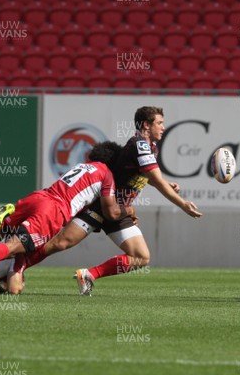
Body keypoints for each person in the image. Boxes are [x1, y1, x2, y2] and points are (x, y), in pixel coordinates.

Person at [40, 106, 202, 296]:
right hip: (103, 205)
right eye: (159, 123)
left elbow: (147, 176)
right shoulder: (139, 145)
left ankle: (89, 275)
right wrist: (183, 204)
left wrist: (166, 183)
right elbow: (156, 180)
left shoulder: (151, 148)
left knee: (141, 257)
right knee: (60, 243)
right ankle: (17, 262)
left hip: (120, 210)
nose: (163, 127)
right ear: (146, 125)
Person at [0, 141, 134, 291]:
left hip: (39, 196)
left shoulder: (84, 166)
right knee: (12, 247)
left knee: (0, 244)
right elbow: (111, 212)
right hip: (54, 210)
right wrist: (129, 211)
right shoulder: (107, 174)